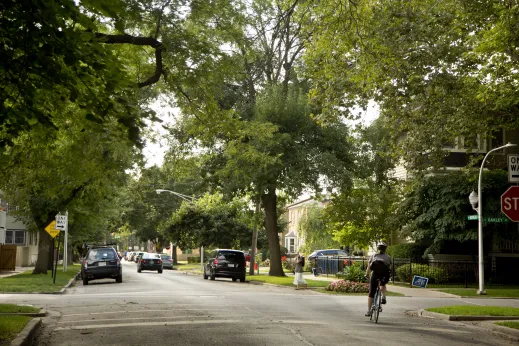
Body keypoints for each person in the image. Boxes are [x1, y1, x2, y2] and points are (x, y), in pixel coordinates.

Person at [365, 242, 391, 316]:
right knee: (383, 283)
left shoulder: (373, 256)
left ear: (378, 248)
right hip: (384, 274)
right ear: (385, 249)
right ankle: (383, 296)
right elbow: (390, 268)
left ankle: (369, 311)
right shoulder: (388, 257)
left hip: (375, 274)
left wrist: (367, 274)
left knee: (371, 293)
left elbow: (369, 267)